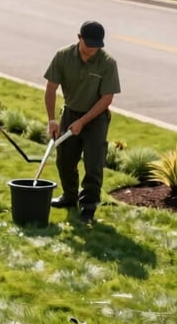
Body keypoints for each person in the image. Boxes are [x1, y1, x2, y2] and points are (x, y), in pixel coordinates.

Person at [44, 20, 121, 223]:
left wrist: (84, 121)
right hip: (70, 112)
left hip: (96, 117)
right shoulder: (63, 56)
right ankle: (70, 197)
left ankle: (88, 205)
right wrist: (52, 119)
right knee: (65, 159)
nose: (92, 50)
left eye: (96, 46)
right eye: (88, 46)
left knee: (93, 162)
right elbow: (51, 87)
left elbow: (107, 99)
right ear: (79, 38)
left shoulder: (107, 63)